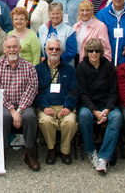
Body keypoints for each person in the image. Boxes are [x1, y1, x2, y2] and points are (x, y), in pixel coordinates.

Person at [0, 35, 40, 171]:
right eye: (9, 47)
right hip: (4, 105)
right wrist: (12, 110)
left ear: (19, 48)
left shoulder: (29, 67)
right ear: (4, 49)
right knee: (4, 117)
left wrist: (20, 110)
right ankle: (2, 152)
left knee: (30, 117)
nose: (12, 50)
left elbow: (32, 89)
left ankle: (29, 153)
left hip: (24, 105)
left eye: (14, 47)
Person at [76, 38, 121, 175]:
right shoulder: (81, 68)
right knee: (83, 116)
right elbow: (82, 93)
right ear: (86, 52)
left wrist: (107, 110)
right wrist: (95, 111)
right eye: (91, 51)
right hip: (89, 105)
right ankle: (91, 151)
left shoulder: (108, 66)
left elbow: (114, 91)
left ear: (101, 52)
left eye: (96, 51)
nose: (94, 53)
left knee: (117, 117)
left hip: (107, 105)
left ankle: (104, 157)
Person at [34, 37, 78, 165]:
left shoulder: (69, 69)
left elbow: (73, 90)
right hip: (46, 106)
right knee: (45, 121)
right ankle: (51, 149)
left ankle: (65, 151)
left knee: (70, 122)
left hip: (64, 105)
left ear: (61, 51)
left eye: (57, 49)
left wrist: (68, 107)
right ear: (46, 50)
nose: (54, 51)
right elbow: (36, 91)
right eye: (51, 48)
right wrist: (45, 107)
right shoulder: (38, 69)